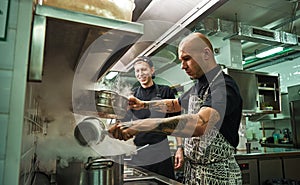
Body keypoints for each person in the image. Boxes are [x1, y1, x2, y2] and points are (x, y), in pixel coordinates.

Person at [109, 32, 243, 184]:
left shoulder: (223, 85)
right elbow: (175, 104)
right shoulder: (199, 85)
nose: (182, 66)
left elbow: (201, 124)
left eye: (187, 59)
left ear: (206, 54)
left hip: (218, 176)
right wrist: (143, 104)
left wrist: (141, 126)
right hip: (194, 172)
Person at [121, 56, 184, 179]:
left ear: (152, 70)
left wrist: (180, 148)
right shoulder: (132, 95)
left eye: (144, 69)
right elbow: (125, 124)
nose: (140, 74)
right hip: (138, 152)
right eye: (137, 71)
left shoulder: (165, 92)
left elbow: (177, 123)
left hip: (161, 152)